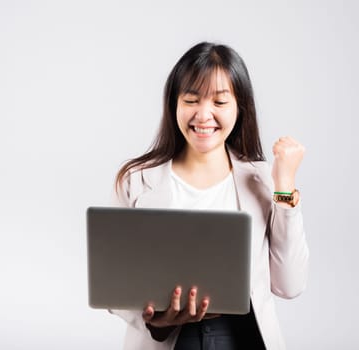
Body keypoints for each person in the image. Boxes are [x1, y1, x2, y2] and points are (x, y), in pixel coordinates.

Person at [110, 42, 309, 350]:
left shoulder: (260, 179)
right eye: (191, 99)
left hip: (241, 336)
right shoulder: (136, 180)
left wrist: (284, 184)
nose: (204, 115)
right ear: (174, 103)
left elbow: (289, 284)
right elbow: (114, 284)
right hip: (167, 341)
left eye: (219, 102)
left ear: (239, 107)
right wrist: (155, 320)